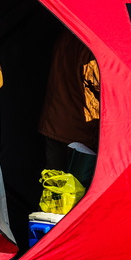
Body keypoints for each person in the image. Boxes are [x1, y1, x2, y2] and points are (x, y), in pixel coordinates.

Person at [38, 30, 100, 171]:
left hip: (53, 123)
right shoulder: (92, 45)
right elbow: (104, 86)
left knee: (55, 181)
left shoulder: (68, 33)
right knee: (76, 186)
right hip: (79, 133)